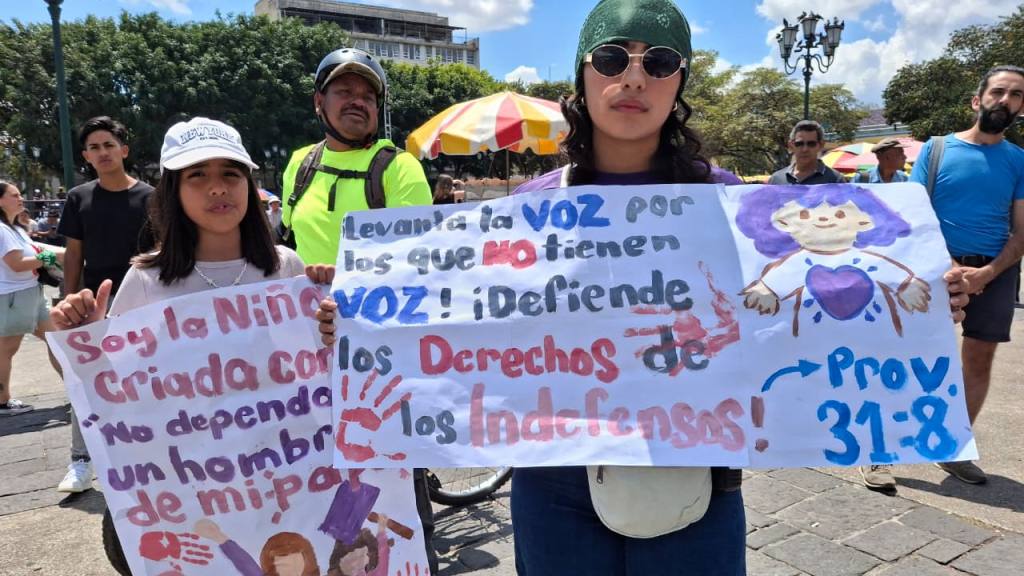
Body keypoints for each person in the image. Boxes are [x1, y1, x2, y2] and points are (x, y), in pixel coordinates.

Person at [312, 1, 972, 573]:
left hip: (695, 481)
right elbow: (456, 320)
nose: (633, 76)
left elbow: (798, 302)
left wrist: (916, 308)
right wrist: (360, 325)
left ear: (678, 81)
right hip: (553, 485)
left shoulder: (727, 200)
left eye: (657, 61)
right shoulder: (528, 208)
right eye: (611, 57)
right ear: (582, 75)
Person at [279, 46, 436, 573]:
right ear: (319, 101)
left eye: (369, 95)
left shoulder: (399, 167)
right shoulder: (298, 165)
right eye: (345, 91)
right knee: (310, 474)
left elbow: (415, 264)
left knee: (388, 484)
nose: (358, 102)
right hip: (302, 354)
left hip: (375, 359)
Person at [886, 64, 1024, 490]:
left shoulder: (1019, 160)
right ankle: (879, 446)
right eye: (998, 91)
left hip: (996, 272)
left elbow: (1021, 231)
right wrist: (947, 265)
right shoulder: (937, 149)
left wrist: (987, 273)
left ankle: (953, 448)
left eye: (1016, 95)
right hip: (932, 269)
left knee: (978, 360)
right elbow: (912, 213)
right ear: (976, 100)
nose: (1006, 100)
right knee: (911, 358)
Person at [56, 116, 156, 493]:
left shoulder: (151, 197)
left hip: (141, 301)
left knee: (145, 380)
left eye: (108, 145)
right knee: (85, 381)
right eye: (94, 147)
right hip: (94, 301)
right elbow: (73, 252)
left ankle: (145, 451)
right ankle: (81, 462)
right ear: (85, 155)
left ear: (123, 150)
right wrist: (70, 296)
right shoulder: (78, 198)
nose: (102, 152)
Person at [0, 181, 57, 416]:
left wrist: (66, 253)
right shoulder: (3, 230)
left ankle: (78, 391)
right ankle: (2, 402)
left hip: (29, 294)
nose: (21, 198)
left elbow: (36, 249)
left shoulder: (15, 228)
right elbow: (16, 265)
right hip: (15, 298)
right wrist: (50, 259)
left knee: (57, 339)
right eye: (14, 195)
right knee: (6, 351)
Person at [768, 120, 845, 185]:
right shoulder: (776, 180)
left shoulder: (836, 180)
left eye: (811, 144)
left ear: (821, 145)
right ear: (791, 146)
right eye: (799, 144)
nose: (805, 149)